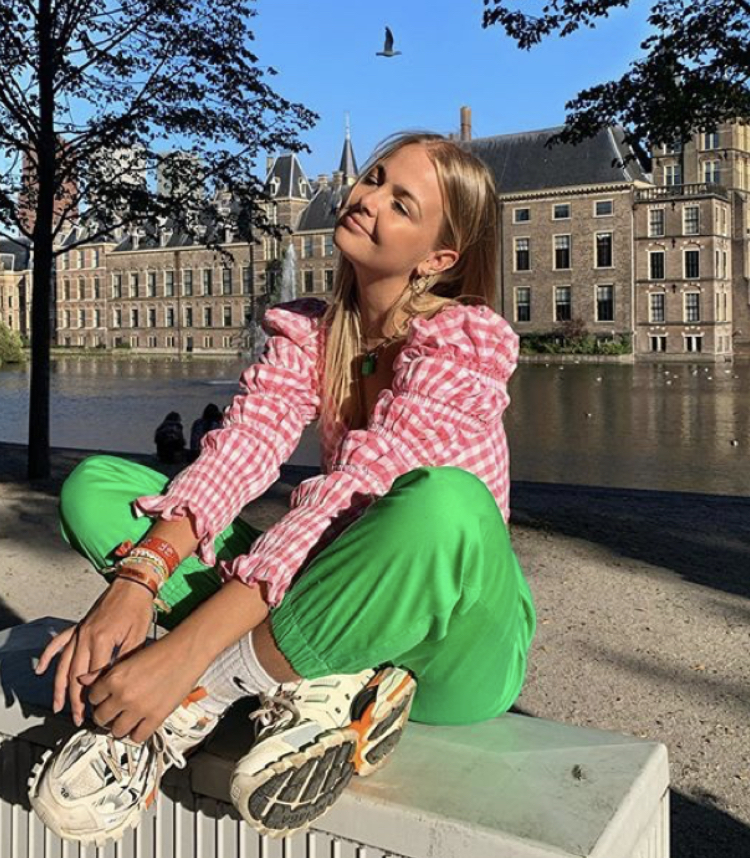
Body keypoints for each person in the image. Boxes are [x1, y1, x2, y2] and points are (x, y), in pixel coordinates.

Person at [29, 132, 536, 845]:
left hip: (453, 641)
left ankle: (200, 697)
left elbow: (347, 500)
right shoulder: (311, 334)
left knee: (443, 503)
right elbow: (238, 451)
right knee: (95, 488)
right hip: (332, 600)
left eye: (401, 204)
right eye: (374, 177)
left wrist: (185, 656)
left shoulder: (464, 343)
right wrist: (139, 578)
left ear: (438, 259)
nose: (367, 199)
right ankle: (324, 685)